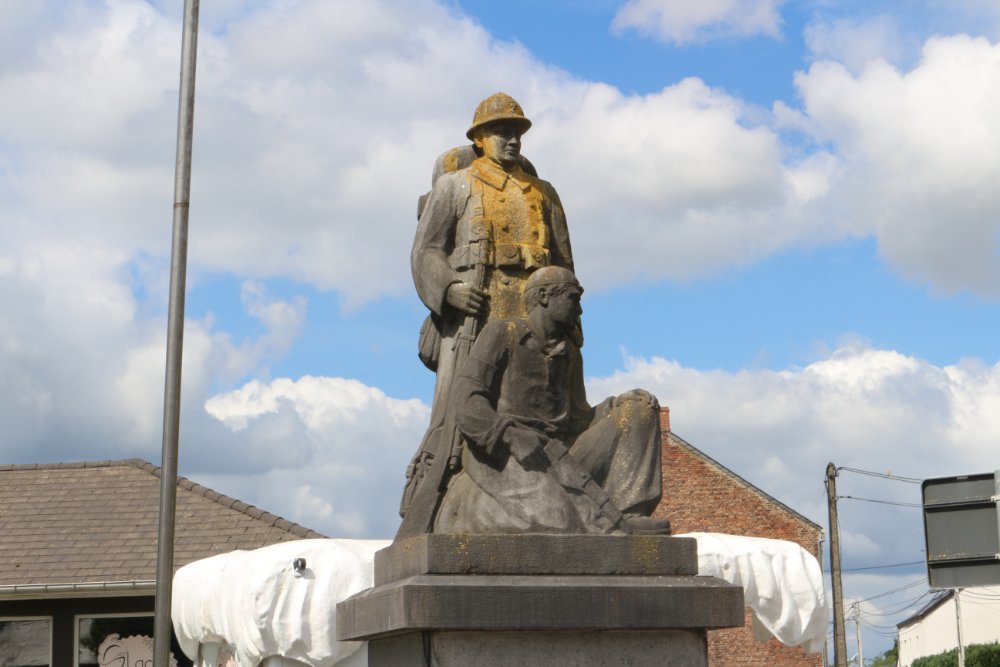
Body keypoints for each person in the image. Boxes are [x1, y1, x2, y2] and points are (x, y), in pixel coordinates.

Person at [397, 93, 576, 536]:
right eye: (501, 131)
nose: (511, 139)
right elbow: (426, 252)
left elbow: (565, 262)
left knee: (549, 400)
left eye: (516, 132)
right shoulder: (455, 187)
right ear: (479, 139)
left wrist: (571, 326)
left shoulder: (545, 193)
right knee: (464, 402)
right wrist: (451, 290)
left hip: (538, 314)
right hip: (479, 309)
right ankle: (441, 488)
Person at [435, 267, 670, 535]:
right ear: (545, 296)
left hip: (562, 453)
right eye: (574, 298)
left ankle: (630, 514)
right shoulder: (503, 333)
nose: (579, 310)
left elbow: (579, 417)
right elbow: (466, 401)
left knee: (638, 411)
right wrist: (509, 436)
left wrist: (615, 405)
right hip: (510, 454)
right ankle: (601, 522)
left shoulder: (569, 351)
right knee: (555, 518)